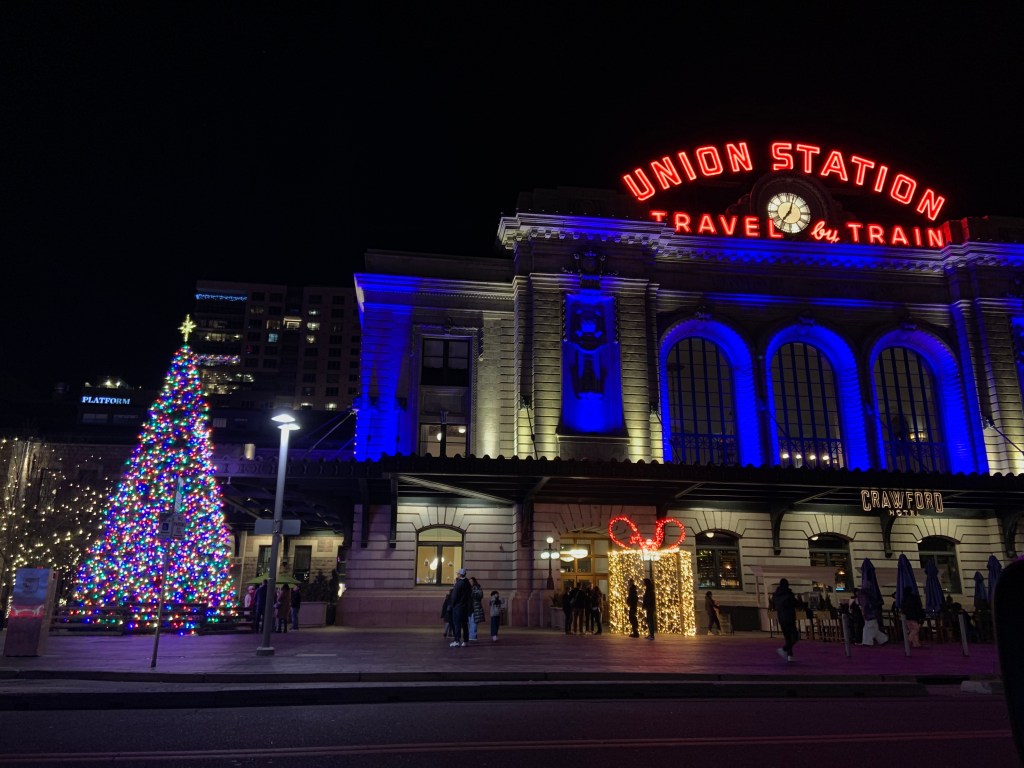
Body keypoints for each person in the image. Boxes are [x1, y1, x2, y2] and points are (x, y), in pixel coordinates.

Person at [773, 577, 799, 662]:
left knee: (787, 637)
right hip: (789, 616)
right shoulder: (788, 594)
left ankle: (789, 655)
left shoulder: (776, 595)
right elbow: (795, 603)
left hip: (781, 617)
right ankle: (785, 649)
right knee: (795, 636)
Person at [858, 580, 889, 646]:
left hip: (870, 614)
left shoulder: (864, 596)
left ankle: (867, 641)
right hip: (873, 613)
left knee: (868, 627)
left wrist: (864, 612)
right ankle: (883, 639)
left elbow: (865, 605)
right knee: (873, 627)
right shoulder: (871, 595)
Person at [449, 568, 472, 647]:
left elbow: (454, 596)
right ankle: (465, 641)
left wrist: (452, 604)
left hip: (458, 607)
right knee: (464, 624)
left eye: (458, 573)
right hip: (465, 607)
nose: (457, 575)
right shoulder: (468, 583)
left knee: (457, 624)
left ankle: (457, 640)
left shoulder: (458, 584)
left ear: (459, 574)